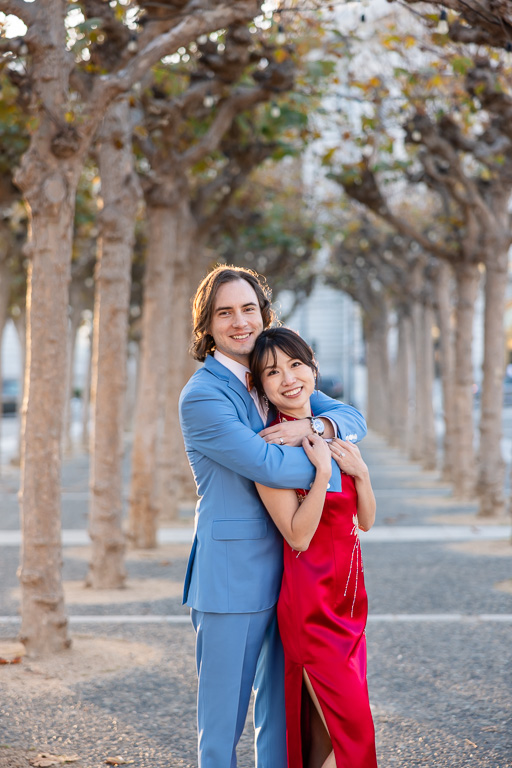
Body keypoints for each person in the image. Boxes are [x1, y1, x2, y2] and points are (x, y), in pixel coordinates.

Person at [178, 265, 367, 768]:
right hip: (230, 581)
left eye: (248, 309)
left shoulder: (273, 373)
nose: (239, 322)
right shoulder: (203, 395)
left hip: (292, 581)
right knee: (221, 730)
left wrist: (315, 424)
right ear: (208, 326)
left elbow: (352, 418)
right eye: (225, 313)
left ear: (263, 314)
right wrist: (327, 458)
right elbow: (266, 463)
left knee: (281, 728)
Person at [249, 327, 378, 768]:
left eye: (296, 364)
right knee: (354, 733)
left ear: (313, 369)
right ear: (261, 387)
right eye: (272, 372)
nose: (288, 378)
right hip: (312, 607)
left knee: (326, 735)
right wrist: (321, 475)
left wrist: (359, 474)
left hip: (351, 603)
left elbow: (365, 521)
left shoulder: (334, 432)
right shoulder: (269, 448)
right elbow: (298, 536)